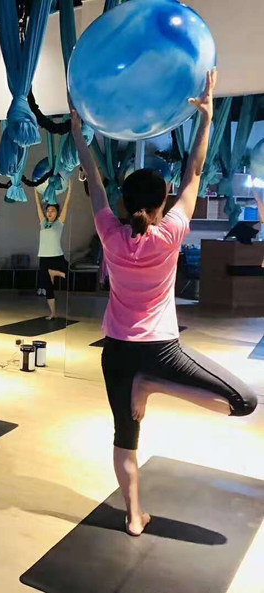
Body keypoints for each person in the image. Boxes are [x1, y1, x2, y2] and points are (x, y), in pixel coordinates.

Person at [71, 69, 257, 536]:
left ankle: (134, 517)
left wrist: (78, 131)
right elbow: (194, 171)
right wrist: (206, 117)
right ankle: (154, 386)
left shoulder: (110, 233)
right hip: (160, 351)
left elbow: (94, 181)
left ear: (125, 203)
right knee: (243, 402)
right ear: (162, 202)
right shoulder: (171, 233)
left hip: (116, 351)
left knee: (124, 437)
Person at [34, 178, 73, 320]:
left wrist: (70, 190)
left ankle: (53, 272)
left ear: (57, 212)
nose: (50, 212)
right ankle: (53, 313)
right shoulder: (43, 223)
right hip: (44, 257)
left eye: (53, 210)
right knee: (48, 287)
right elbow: (38, 206)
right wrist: (35, 190)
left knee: (69, 274)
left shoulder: (59, 223)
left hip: (57, 256)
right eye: (48, 210)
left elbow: (66, 205)